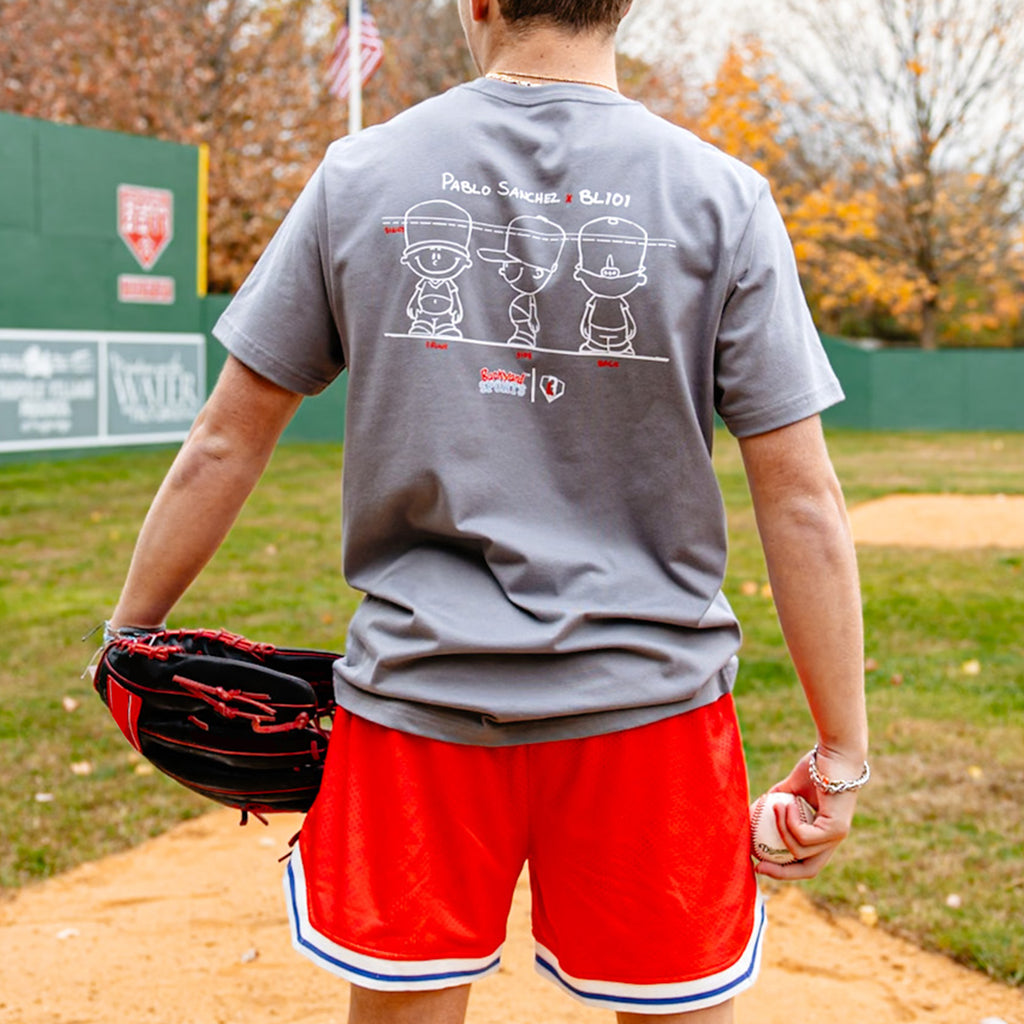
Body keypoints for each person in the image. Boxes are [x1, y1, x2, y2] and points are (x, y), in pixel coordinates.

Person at [107, 1, 870, 1022]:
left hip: (418, 707)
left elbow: (226, 438)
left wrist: (129, 634)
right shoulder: (722, 196)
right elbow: (803, 498)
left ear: (477, 1)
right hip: (650, 713)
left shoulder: (361, 174)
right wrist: (839, 753)